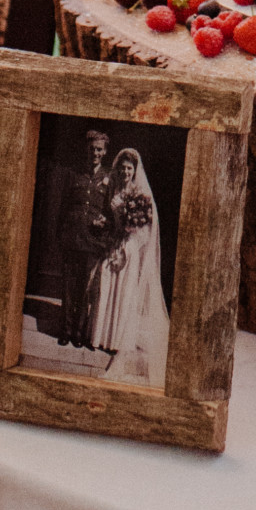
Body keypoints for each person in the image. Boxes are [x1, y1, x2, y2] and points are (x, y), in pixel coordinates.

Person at [88, 149, 171, 388]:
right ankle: (102, 336)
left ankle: (117, 339)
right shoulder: (114, 190)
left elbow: (145, 232)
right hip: (114, 242)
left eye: (129, 169)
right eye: (122, 168)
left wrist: (126, 250)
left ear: (134, 171)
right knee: (105, 278)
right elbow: (111, 219)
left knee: (123, 289)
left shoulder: (140, 194)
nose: (125, 172)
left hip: (130, 248)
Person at [57, 129, 114, 349]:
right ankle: (66, 330)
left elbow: (111, 212)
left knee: (85, 289)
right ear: (86, 150)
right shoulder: (74, 174)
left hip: (92, 242)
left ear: (105, 152)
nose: (95, 153)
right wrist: (61, 235)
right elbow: (63, 207)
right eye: (92, 149)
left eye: (99, 149)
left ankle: (79, 333)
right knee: (68, 288)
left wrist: (104, 228)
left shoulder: (109, 179)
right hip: (71, 239)